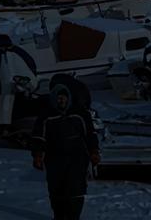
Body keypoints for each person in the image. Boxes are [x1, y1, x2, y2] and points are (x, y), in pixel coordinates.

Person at [31, 84, 100, 220]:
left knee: (76, 189)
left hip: (77, 157)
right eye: (58, 98)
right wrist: (38, 155)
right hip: (54, 158)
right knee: (56, 190)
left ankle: (74, 217)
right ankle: (59, 216)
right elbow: (38, 137)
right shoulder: (46, 116)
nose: (61, 101)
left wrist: (94, 152)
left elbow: (90, 135)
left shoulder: (80, 113)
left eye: (64, 98)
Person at [0, 35, 37, 133]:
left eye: (7, 46)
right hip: (4, 82)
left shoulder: (17, 51)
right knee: (5, 97)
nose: (5, 48)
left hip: (20, 81)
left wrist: (31, 74)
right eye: (3, 46)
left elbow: (29, 62)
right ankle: (3, 124)